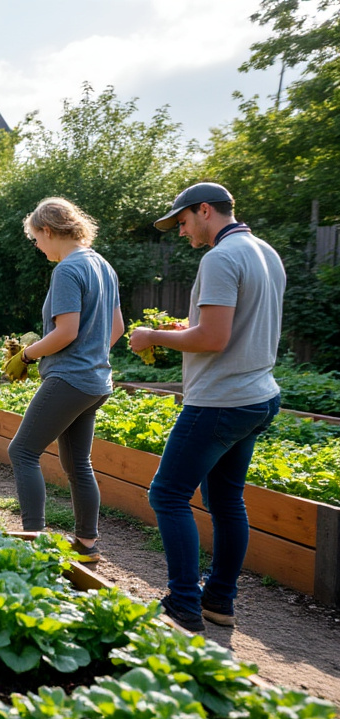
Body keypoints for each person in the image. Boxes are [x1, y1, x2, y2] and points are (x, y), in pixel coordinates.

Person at [131, 182, 284, 632]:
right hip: (259, 394)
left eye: (182, 222)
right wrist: (187, 328)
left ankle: (183, 604)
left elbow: (213, 340)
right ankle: (218, 601)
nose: (181, 232)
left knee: (167, 494)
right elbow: (231, 327)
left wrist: (154, 336)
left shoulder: (219, 258)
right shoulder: (265, 252)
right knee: (226, 500)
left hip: (220, 399)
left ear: (204, 211)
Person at [4, 198, 123, 561]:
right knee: (77, 464)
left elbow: (65, 332)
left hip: (69, 379)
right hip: (96, 381)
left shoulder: (68, 270)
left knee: (22, 451)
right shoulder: (102, 265)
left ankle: (33, 538)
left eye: (36, 239)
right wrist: (91, 352)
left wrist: (26, 355)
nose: (37, 247)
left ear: (48, 230)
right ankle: (87, 545)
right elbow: (116, 328)